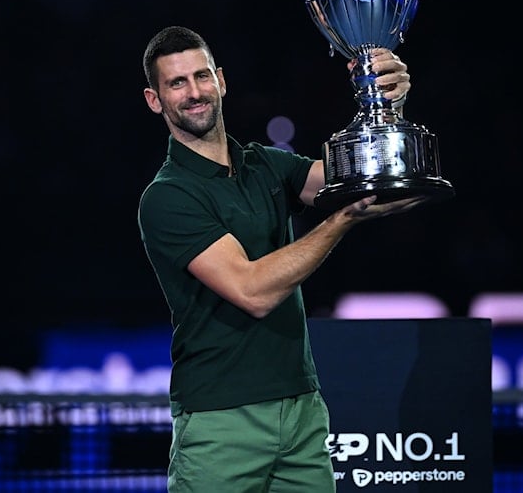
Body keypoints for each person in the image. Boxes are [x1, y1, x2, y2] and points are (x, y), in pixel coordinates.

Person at [137, 25, 424, 492]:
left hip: (302, 412)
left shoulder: (265, 165)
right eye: (177, 83)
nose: (194, 92)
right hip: (221, 420)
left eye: (202, 76)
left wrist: (386, 103)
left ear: (221, 80)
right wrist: (340, 221)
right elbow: (252, 291)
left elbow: (376, 183)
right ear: (155, 100)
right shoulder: (168, 196)